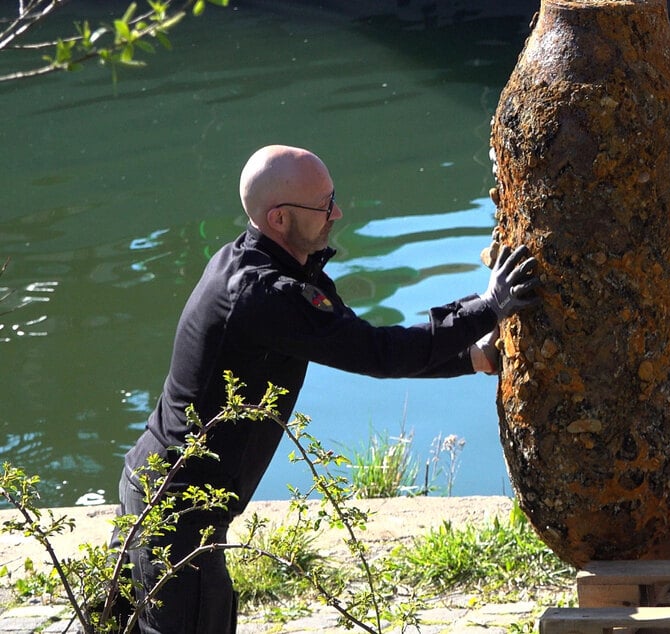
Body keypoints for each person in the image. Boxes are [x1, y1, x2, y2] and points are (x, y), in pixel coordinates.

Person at [112, 144, 539, 632]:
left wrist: (470, 358)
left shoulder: (265, 266)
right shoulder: (265, 295)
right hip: (176, 514)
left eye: (333, 196)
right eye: (323, 206)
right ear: (279, 218)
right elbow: (380, 352)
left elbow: (360, 346)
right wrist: (488, 305)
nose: (337, 212)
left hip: (149, 486)